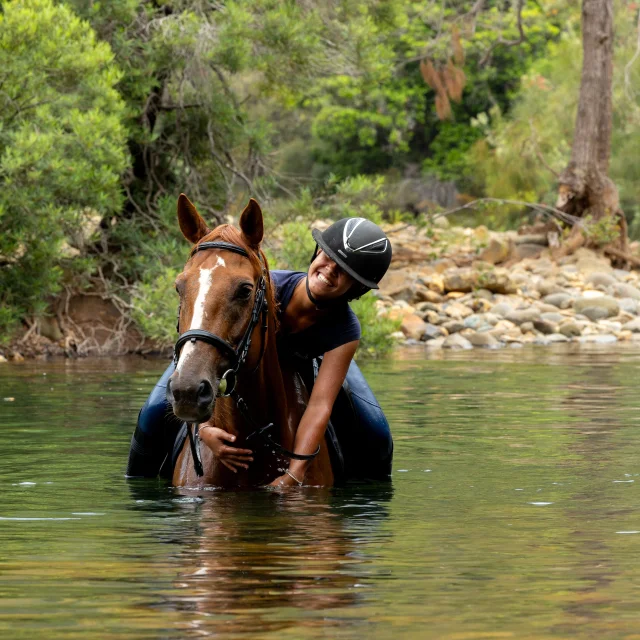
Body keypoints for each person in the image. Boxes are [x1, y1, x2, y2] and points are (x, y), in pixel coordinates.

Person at [127, 217, 393, 485]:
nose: (330, 269)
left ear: (357, 288)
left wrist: (296, 472)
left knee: (375, 429)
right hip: (217, 352)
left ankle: (368, 504)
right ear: (317, 252)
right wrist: (203, 429)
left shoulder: (345, 329)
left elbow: (320, 406)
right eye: (328, 256)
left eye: (345, 269)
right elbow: (223, 346)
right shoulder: (265, 290)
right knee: (152, 412)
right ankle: (139, 489)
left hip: (315, 360)